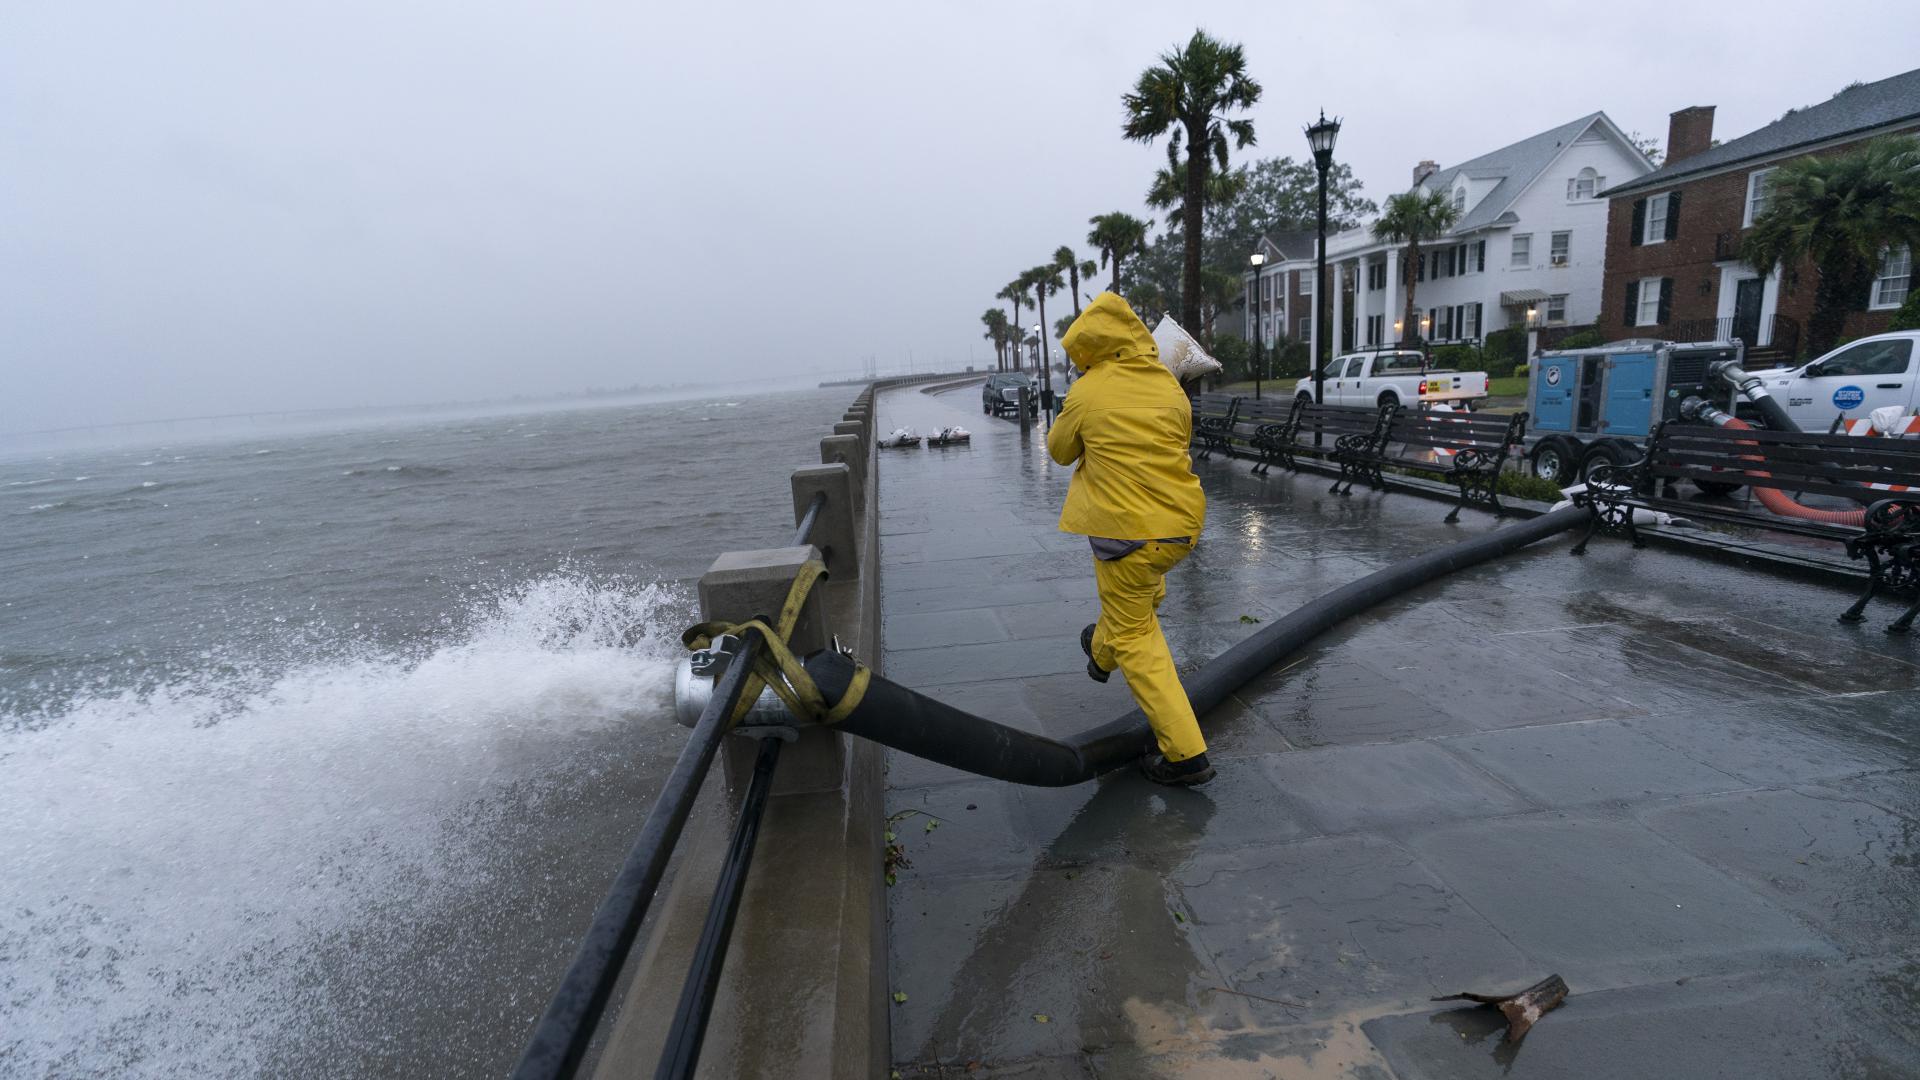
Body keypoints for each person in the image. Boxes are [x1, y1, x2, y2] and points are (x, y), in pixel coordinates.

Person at [1046, 292, 1212, 786]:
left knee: (1137, 636)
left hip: (1128, 534)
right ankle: (1099, 653)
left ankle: (1187, 756)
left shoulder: (1088, 390)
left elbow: (1058, 451)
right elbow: (1178, 440)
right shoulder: (1167, 384)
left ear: (1089, 347)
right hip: (1180, 527)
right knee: (1138, 598)